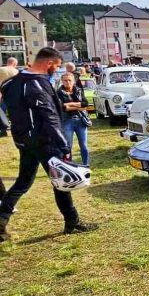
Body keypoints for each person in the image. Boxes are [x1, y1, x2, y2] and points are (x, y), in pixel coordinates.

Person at [0, 48, 97, 242]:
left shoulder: (11, 83)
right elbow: (49, 116)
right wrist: (63, 145)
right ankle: (72, 221)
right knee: (60, 180)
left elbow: (22, 110)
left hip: (24, 140)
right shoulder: (37, 83)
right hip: (45, 140)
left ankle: (1, 222)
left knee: (23, 181)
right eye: (57, 66)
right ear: (49, 63)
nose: (57, 71)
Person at [57, 72, 90, 166]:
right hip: (67, 121)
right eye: (65, 80)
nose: (67, 82)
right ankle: (69, 166)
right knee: (68, 146)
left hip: (81, 120)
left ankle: (86, 165)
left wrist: (69, 104)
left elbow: (85, 104)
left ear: (73, 81)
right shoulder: (58, 92)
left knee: (84, 146)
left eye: (69, 80)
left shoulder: (78, 90)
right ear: (62, 81)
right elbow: (61, 107)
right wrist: (78, 105)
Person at [0, 57, 19, 138]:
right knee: (14, 113)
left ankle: (3, 130)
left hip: (2, 94)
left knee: (2, 113)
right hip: (14, 95)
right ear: (14, 64)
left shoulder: (1, 69)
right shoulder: (17, 71)